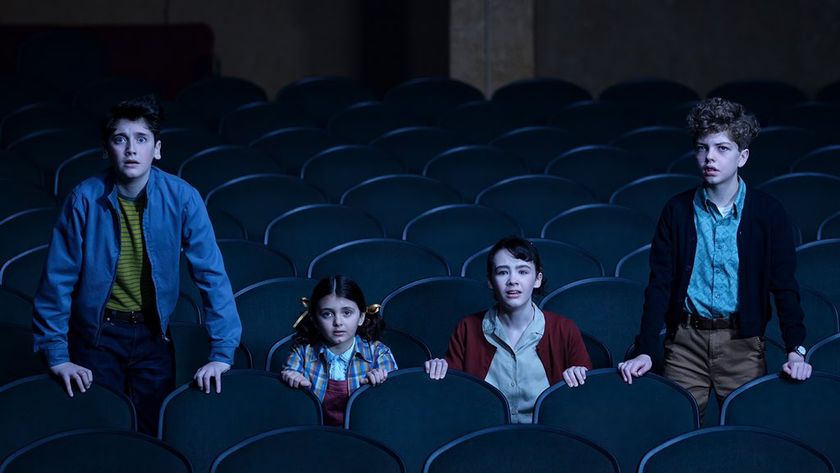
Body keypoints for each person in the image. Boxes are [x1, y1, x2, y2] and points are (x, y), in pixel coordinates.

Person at [32, 96, 242, 434]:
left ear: (156, 149)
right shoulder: (83, 199)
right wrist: (57, 355)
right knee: (100, 432)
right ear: (106, 150)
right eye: (120, 139)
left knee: (153, 433)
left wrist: (221, 352)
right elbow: (57, 280)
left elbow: (211, 275)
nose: (131, 149)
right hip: (97, 336)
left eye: (141, 139)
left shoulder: (183, 197)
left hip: (153, 335)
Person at [619, 97, 812, 417]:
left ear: (742, 156)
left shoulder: (768, 213)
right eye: (702, 147)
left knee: (746, 434)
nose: (710, 157)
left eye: (722, 148)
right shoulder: (677, 211)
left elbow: (785, 285)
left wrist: (796, 350)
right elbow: (659, 286)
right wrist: (646, 350)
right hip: (684, 343)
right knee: (677, 429)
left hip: (743, 344)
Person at [444, 236, 592, 423]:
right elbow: (454, 395)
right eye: (502, 272)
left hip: (547, 437)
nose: (512, 280)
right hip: (484, 436)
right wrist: (439, 369)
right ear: (491, 281)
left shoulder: (564, 329)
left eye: (522, 271)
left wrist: (579, 375)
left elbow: (583, 401)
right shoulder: (467, 327)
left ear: (537, 279)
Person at [284, 275, 448, 426]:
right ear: (315, 319)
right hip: (317, 436)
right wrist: (291, 379)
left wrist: (380, 385)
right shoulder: (302, 353)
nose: (338, 322)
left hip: (366, 436)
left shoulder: (379, 353)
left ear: (361, 317)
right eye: (327, 314)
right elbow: (291, 405)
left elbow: (394, 407)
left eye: (347, 313)